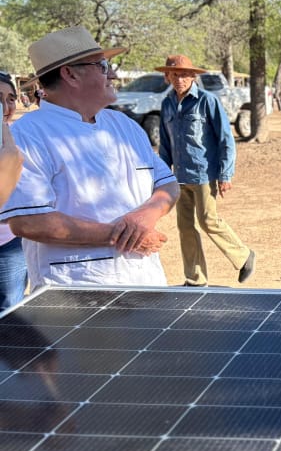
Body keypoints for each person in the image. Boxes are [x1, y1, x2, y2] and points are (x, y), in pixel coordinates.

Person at [0, 26, 179, 289]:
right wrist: (123, 235)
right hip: (76, 292)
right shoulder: (28, 134)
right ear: (70, 73)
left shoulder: (124, 125)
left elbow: (168, 184)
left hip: (145, 281)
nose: (113, 74)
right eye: (103, 65)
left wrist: (145, 217)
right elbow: (29, 221)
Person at [157, 54, 255, 287]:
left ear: (192, 76)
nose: (179, 79)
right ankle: (195, 279)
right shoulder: (166, 104)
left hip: (204, 173)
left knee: (208, 220)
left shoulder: (207, 101)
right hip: (178, 177)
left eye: (183, 74)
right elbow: (164, 143)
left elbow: (225, 139)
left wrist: (225, 174)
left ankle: (243, 256)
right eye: (174, 74)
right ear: (167, 76)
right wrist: (162, 175)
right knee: (185, 227)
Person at [0, 73, 27, 309]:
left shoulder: (22, 136)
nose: (6, 107)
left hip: (9, 242)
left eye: (10, 98)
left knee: (11, 310)